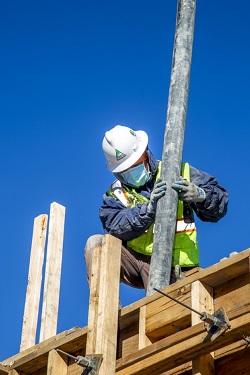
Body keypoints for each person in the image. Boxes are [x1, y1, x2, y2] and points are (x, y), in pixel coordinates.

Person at [84, 125, 228, 292]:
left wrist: (201, 195)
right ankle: (106, 315)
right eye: (126, 171)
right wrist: (148, 209)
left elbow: (220, 204)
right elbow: (115, 226)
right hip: (140, 263)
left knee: (174, 310)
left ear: (146, 153)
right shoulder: (116, 194)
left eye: (136, 165)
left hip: (180, 268)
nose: (132, 172)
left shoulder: (179, 172)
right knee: (97, 245)